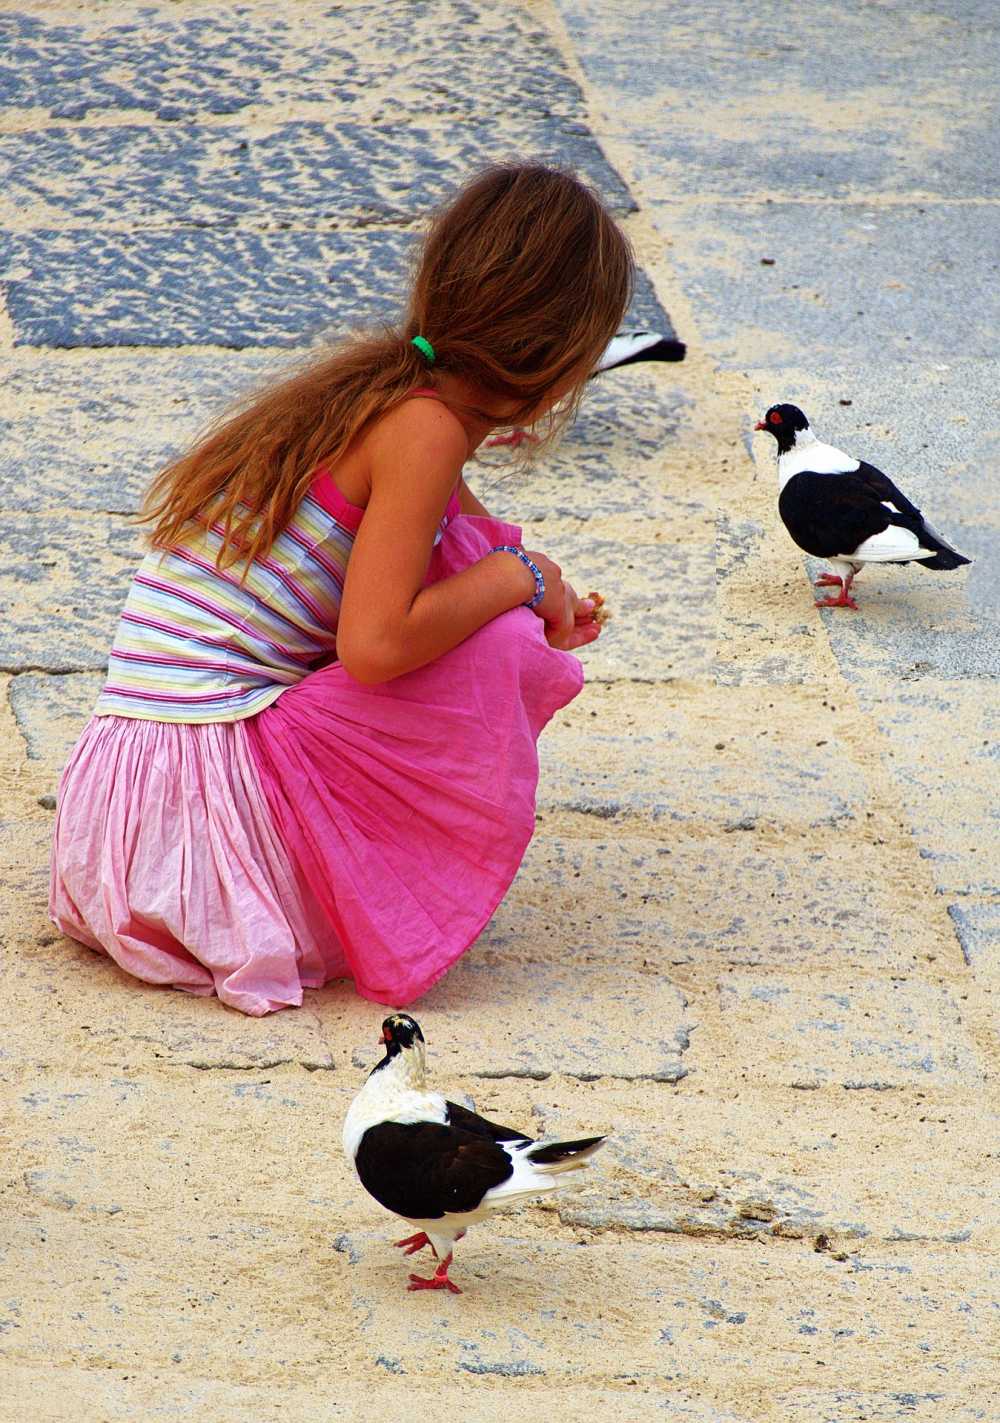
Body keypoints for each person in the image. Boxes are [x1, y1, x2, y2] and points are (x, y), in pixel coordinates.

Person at [49, 163, 635, 1015]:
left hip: (116, 813)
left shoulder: (395, 394)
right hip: (186, 829)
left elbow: (459, 553)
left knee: (492, 619)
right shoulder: (425, 429)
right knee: (495, 644)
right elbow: (376, 647)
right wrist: (524, 577)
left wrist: (529, 581)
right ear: (557, 365)